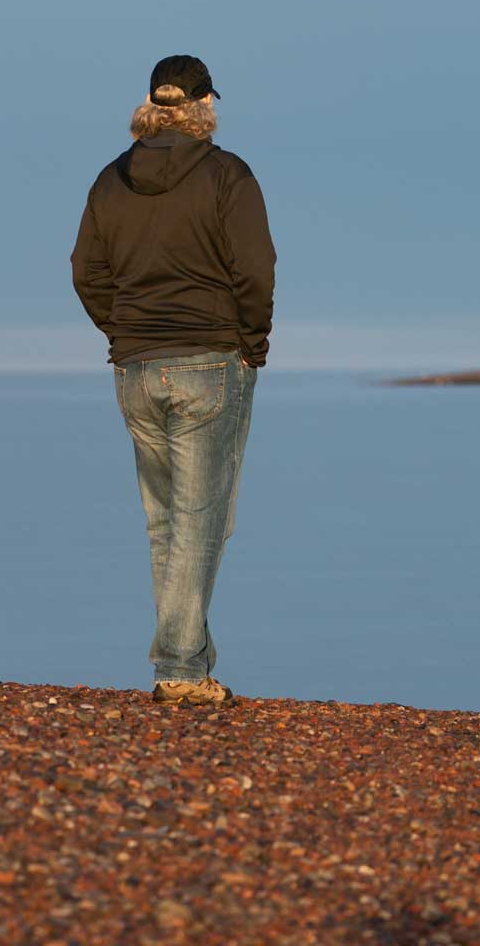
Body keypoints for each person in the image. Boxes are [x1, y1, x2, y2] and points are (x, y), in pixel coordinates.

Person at [70, 55, 276, 706]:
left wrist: (121, 333)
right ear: (205, 104)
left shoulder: (111, 180)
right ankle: (181, 668)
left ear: (153, 106)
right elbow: (255, 271)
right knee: (201, 521)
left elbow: (86, 270)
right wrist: (252, 343)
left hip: (137, 365)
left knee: (166, 523)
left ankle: (181, 660)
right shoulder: (226, 175)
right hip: (211, 360)